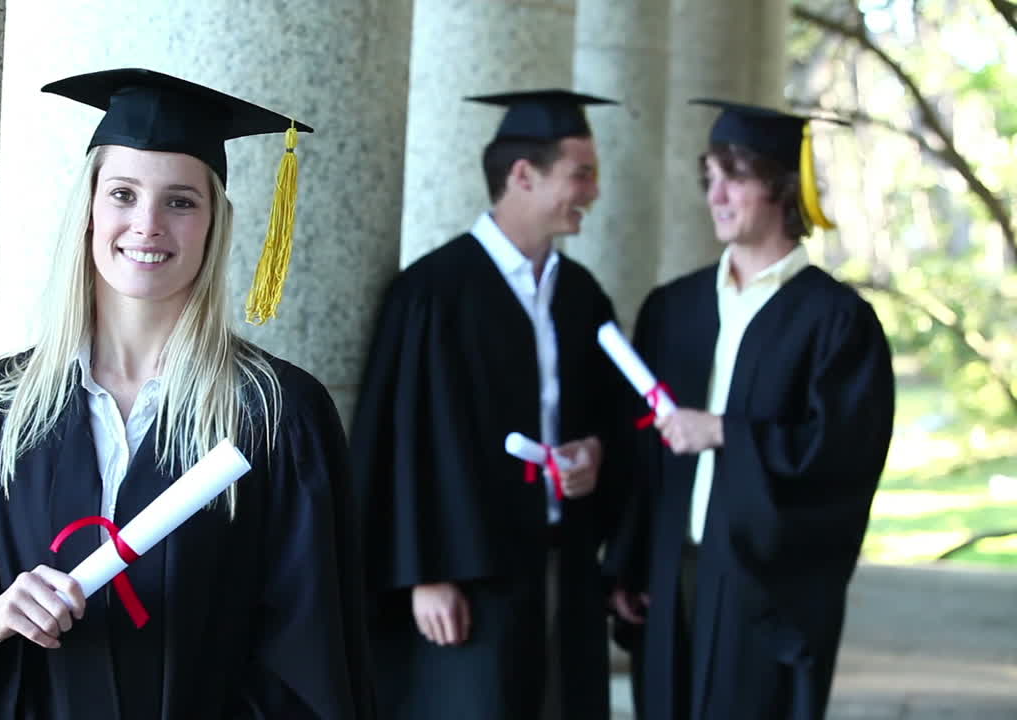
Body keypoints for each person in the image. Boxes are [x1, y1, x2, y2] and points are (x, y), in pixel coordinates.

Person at [0, 68, 373, 720]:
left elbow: (311, 652)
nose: (147, 224)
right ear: (87, 210)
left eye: (180, 201)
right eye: (122, 193)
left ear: (214, 224)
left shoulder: (276, 417)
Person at [607, 99, 895, 720]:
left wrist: (722, 432)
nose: (717, 195)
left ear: (784, 189)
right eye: (709, 177)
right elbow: (641, 456)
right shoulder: (672, 308)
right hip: (671, 568)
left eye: (735, 177)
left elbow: (841, 456)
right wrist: (628, 563)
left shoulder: (837, 321)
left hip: (761, 582)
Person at [351, 90, 634, 719]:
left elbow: (613, 419)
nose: (593, 191)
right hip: (471, 577)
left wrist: (596, 454)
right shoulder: (432, 293)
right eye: (581, 174)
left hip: (563, 561)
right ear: (524, 176)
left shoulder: (582, 296)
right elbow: (399, 440)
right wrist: (424, 572)